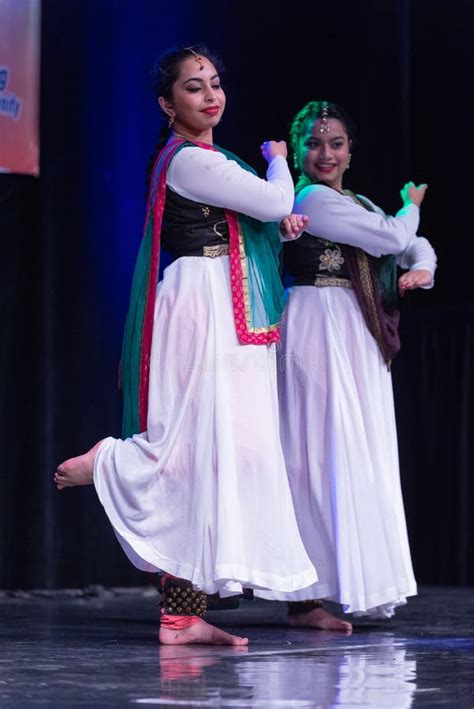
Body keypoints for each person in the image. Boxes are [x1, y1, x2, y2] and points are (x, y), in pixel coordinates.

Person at [53, 47, 317, 645]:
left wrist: (276, 224)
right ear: (167, 105)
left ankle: (182, 615)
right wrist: (279, 163)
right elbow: (276, 198)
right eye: (195, 88)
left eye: (216, 84)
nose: (211, 95)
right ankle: (113, 462)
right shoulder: (189, 160)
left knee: (223, 452)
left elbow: (260, 217)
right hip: (203, 301)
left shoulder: (206, 160)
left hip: (225, 299)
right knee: (188, 441)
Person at [259, 100, 436, 630]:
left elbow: (411, 247)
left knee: (352, 452)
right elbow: (392, 237)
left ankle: (329, 588)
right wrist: (412, 205)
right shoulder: (312, 197)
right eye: (313, 144)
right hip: (316, 322)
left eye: (336, 143)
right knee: (314, 450)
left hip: (354, 329)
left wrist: (422, 269)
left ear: (351, 150)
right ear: (299, 154)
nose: (325, 153)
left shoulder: (351, 201)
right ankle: (304, 595)